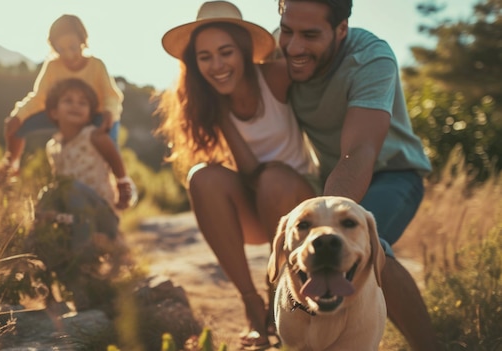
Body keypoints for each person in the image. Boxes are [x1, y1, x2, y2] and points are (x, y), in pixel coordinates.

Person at [276, 0, 441, 350]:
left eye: (309, 35)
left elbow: (360, 151)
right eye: (286, 30)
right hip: (327, 180)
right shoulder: (277, 54)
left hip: (393, 174)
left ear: (341, 30)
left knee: (371, 246)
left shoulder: (371, 58)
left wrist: (331, 225)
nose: (293, 46)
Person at [156, 1, 318, 349]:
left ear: (244, 52)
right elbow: (250, 172)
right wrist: (223, 116)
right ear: (194, 64)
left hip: (305, 207)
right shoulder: (214, 104)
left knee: (274, 178)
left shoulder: (276, 76)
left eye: (225, 52)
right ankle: (251, 303)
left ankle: (282, 298)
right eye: (205, 57)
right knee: (203, 176)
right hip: (262, 204)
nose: (216, 66)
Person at [27, 77, 134, 312]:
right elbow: (59, 187)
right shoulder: (52, 147)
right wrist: (48, 212)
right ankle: (63, 287)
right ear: (54, 111)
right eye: (68, 101)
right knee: (46, 198)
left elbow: (118, 166)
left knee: (72, 186)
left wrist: (125, 189)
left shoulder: (95, 136)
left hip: (102, 215)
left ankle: (86, 268)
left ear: (90, 112)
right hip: (75, 220)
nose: (76, 105)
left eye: (83, 102)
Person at [0, 14, 123, 186]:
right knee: (15, 125)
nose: (68, 55)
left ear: (82, 41)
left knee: (107, 144)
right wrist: (18, 116)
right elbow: (39, 97)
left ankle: (122, 183)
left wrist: (109, 113)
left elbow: (111, 96)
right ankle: (10, 166)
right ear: (54, 49)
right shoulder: (53, 67)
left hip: (97, 115)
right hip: (63, 114)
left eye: (72, 47)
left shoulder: (96, 65)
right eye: (61, 50)